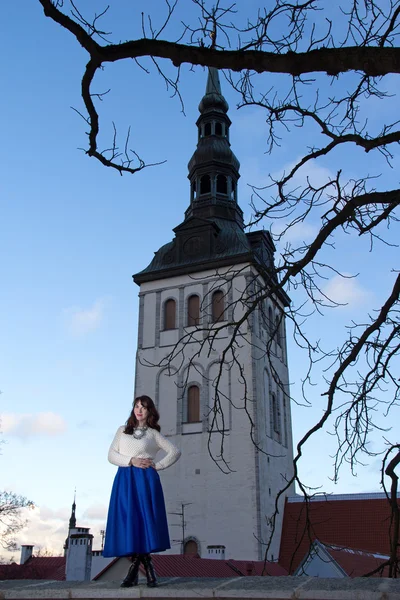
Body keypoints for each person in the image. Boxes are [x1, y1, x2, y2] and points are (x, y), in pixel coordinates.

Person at [103, 395, 181, 588]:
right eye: (136, 406)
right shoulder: (122, 431)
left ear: (149, 411)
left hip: (146, 480)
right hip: (126, 479)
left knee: (144, 521)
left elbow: (175, 451)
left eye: (143, 407)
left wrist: (158, 466)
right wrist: (131, 461)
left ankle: (135, 573)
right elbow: (111, 455)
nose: (139, 410)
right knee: (131, 521)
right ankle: (147, 570)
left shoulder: (153, 434)